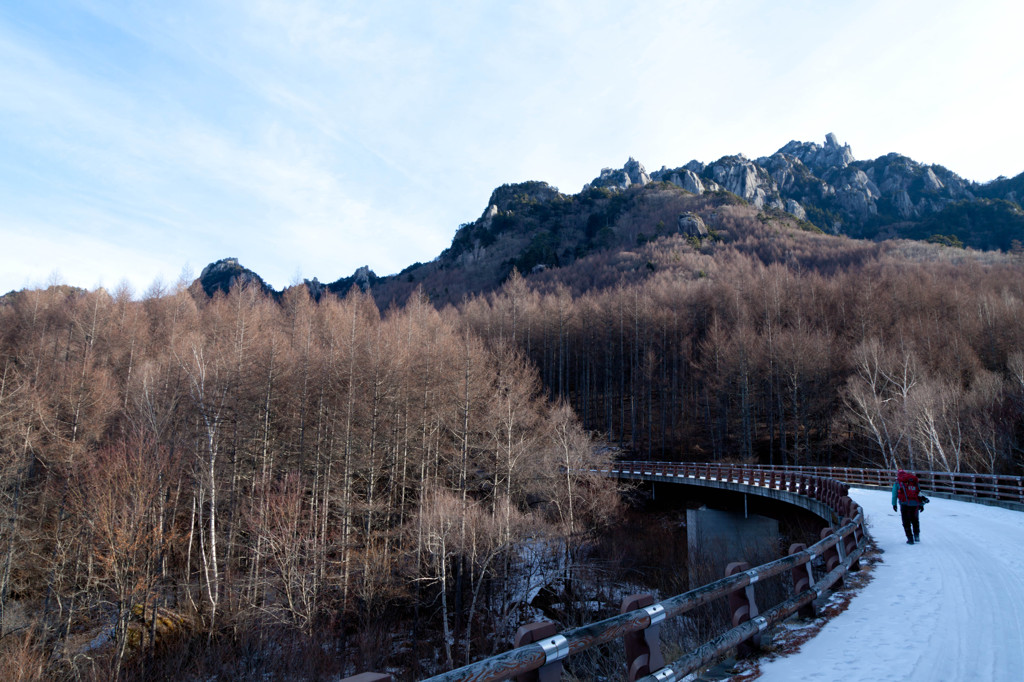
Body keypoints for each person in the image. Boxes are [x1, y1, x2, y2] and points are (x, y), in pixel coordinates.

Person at [892, 469, 926, 544]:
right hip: (915, 504)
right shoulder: (913, 481)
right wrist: (921, 505)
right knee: (915, 520)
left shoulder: (898, 482)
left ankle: (910, 539)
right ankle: (917, 536)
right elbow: (919, 493)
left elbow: (894, 495)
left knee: (906, 521)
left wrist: (894, 504)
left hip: (904, 504)